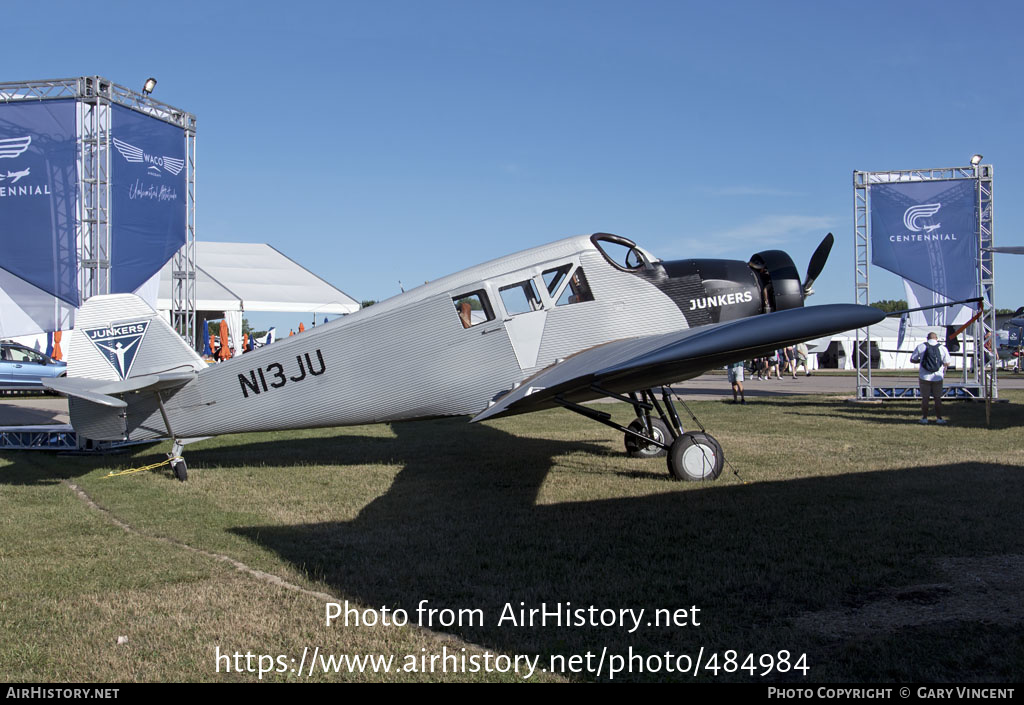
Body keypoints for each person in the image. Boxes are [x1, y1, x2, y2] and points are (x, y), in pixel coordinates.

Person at [910, 332, 952, 424]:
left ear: (927, 338)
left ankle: (924, 418)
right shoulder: (942, 348)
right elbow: (947, 362)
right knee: (937, 398)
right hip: (938, 377)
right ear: (936, 338)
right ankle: (939, 418)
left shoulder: (921, 346)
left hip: (924, 376)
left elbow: (912, 359)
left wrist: (921, 361)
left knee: (925, 398)